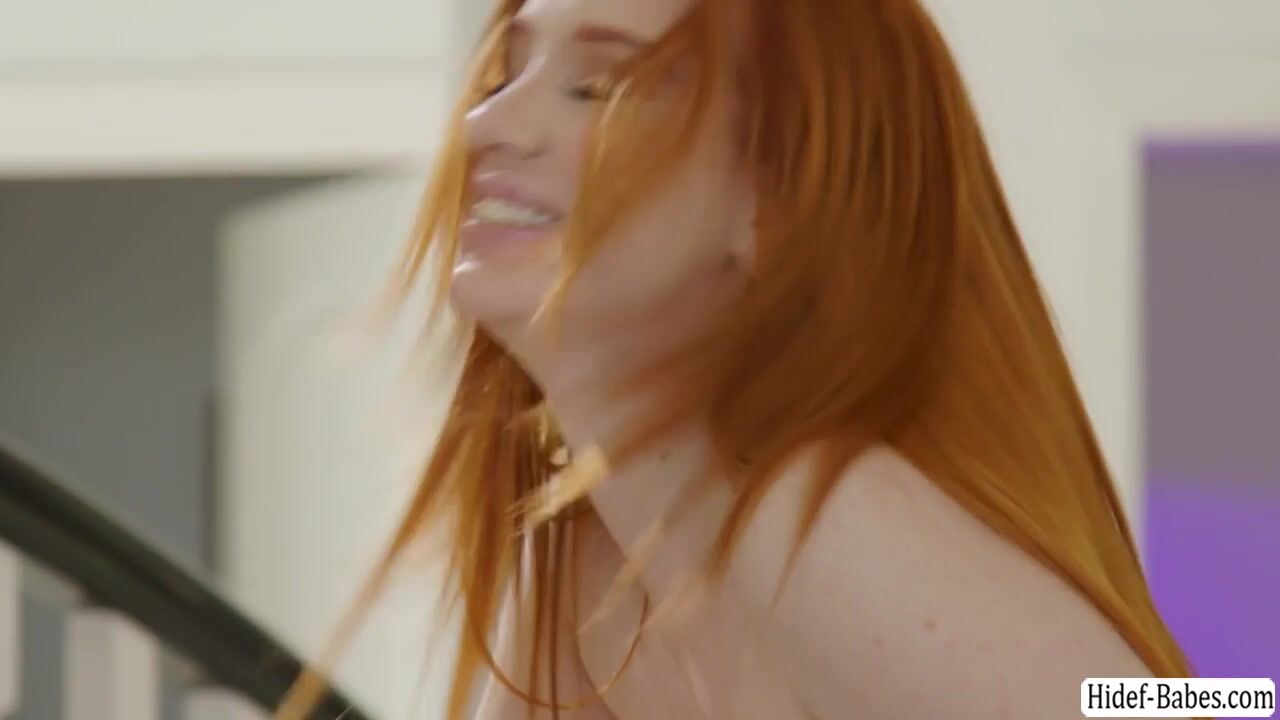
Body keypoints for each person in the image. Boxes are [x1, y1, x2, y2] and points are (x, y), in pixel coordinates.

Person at [282, 0, 1194, 718]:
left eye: (597, 87)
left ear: (773, 198)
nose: (488, 123)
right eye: (506, 71)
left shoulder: (816, 516)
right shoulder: (590, 554)